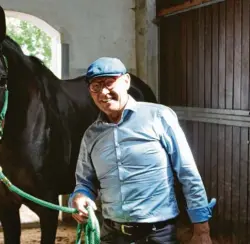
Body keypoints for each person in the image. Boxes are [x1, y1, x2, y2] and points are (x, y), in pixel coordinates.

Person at [69, 57, 216, 243]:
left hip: (157, 235)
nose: (103, 92)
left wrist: (202, 229)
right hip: (112, 234)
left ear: (126, 81)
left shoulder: (159, 116)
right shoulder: (91, 135)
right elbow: (84, 182)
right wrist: (79, 196)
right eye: (95, 87)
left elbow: (187, 172)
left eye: (109, 83)